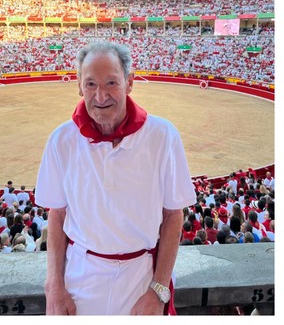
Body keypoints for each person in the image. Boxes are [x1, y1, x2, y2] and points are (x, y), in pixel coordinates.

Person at [35, 41, 195, 315]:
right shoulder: (62, 139)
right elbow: (57, 215)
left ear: (129, 82)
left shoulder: (163, 136)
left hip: (141, 276)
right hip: (79, 277)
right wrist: (54, 285)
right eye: (91, 84)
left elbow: (173, 215)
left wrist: (157, 291)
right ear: (79, 86)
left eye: (111, 83)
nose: (100, 96)